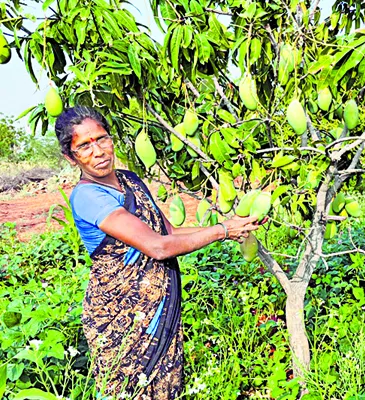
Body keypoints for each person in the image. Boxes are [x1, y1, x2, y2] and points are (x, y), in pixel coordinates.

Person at [54, 106, 262, 399]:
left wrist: (230, 227)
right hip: (121, 317)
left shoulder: (131, 181)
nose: (98, 151)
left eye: (101, 139)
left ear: (111, 139)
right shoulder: (88, 196)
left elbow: (169, 233)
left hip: (157, 310)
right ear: (70, 156)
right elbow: (157, 247)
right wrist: (222, 231)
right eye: (84, 146)